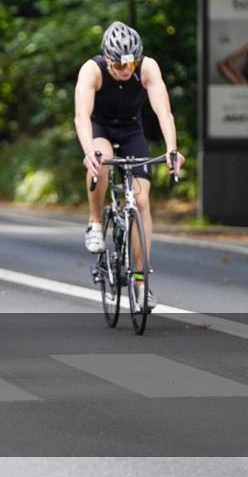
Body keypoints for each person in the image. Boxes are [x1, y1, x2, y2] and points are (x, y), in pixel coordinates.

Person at [73, 21, 185, 310]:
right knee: (101, 156)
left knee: (141, 200)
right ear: (107, 58)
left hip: (131, 131)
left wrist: (172, 149)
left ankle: (140, 283)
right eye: (119, 65)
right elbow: (81, 117)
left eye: (130, 64)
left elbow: (164, 112)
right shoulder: (92, 70)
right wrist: (88, 151)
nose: (126, 70)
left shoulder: (148, 67)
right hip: (100, 130)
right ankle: (95, 221)